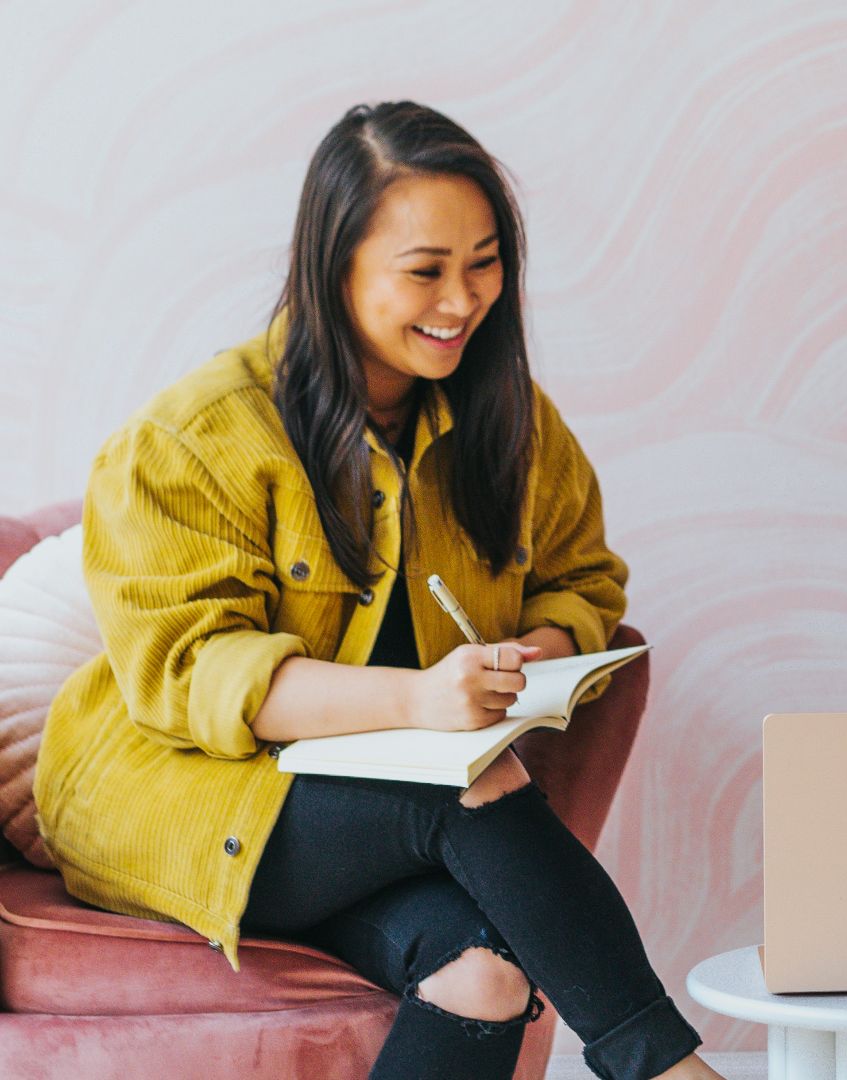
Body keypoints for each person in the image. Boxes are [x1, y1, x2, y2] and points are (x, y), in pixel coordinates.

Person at [34, 102, 727, 1080]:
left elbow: (582, 580)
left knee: (483, 978)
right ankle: (666, 1067)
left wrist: (541, 655)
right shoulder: (193, 436)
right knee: (470, 778)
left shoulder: (510, 422)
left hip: (382, 818)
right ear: (335, 269)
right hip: (184, 794)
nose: (462, 298)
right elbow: (196, 674)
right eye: (425, 270)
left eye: (484, 263)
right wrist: (417, 702)